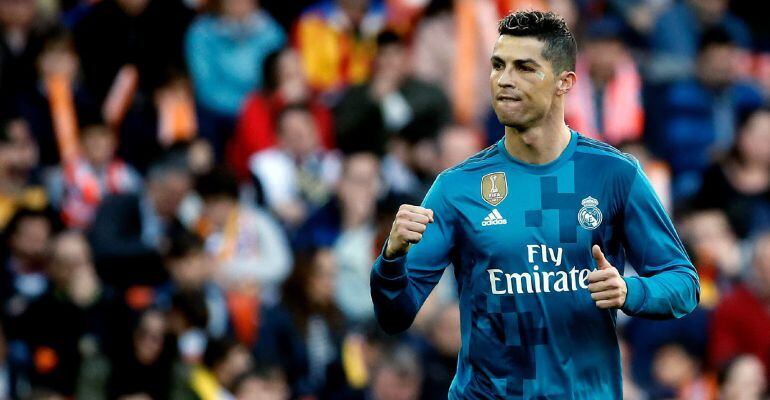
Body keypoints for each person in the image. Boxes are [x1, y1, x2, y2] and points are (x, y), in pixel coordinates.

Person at [370, 11, 700, 398]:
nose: (505, 80)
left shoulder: (614, 175)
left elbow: (683, 284)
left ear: (565, 83)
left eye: (524, 67)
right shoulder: (456, 188)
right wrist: (391, 259)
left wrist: (631, 292)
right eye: (498, 65)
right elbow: (395, 315)